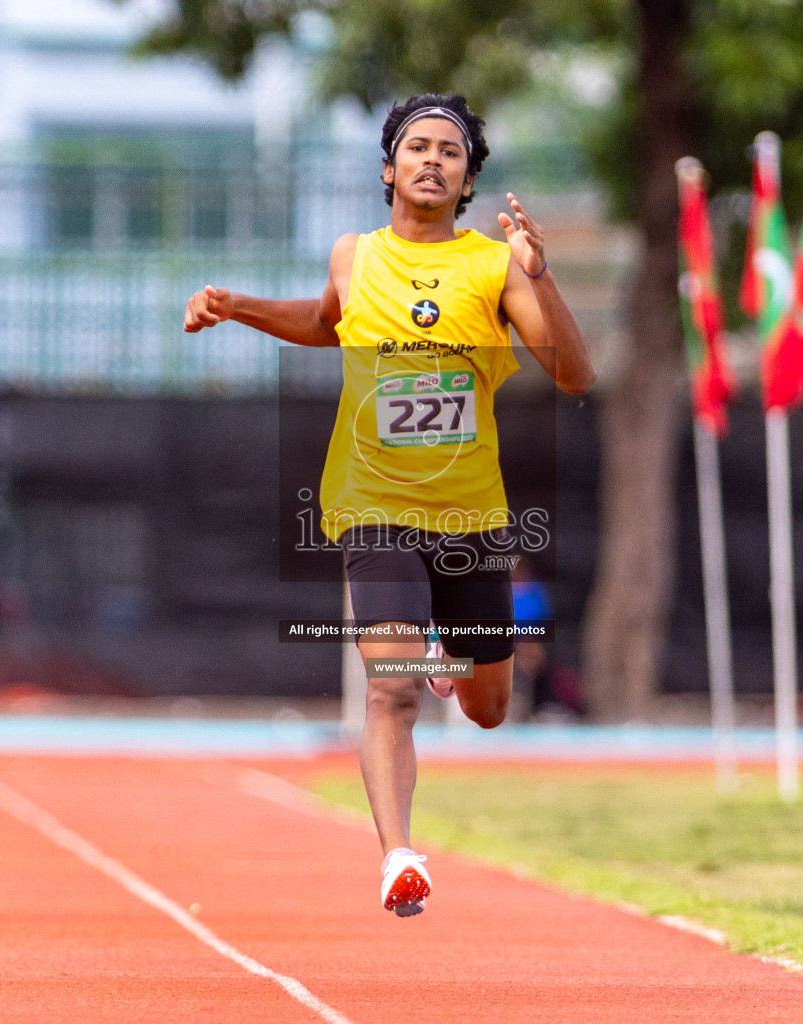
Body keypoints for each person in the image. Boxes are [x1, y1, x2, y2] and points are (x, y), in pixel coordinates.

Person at [183, 94, 594, 916]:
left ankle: (444, 663)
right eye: (418, 147)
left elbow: (573, 374)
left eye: (451, 151)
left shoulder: (493, 266)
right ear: (389, 169)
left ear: (469, 178)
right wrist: (239, 308)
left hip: (470, 515)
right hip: (373, 502)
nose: (433, 159)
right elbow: (327, 323)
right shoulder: (353, 256)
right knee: (388, 691)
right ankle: (398, 856)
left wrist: (542, 281)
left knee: (487, 708)